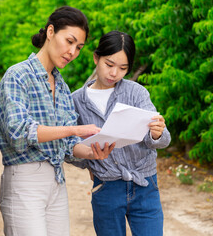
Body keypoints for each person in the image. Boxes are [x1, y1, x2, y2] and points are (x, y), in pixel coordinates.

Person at [0, 6, 115, 236]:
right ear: (50, 32)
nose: (72, 52)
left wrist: (92, 152)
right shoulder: (18, 76)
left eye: (78, 47)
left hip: (57, 182)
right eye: (69, 41)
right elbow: (19, 133)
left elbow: (69, 147)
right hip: (24, 181)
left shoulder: (62, 86)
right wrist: (73, 129)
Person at [71, 30, 171, 236]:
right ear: (96, 58)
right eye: (109, 64)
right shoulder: (75, 101)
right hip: (106, 188)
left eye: (123, 68)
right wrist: (89, 159)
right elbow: (68, 148)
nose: (114, 73)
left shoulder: (136, 92)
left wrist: (156, 134)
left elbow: (163, 140)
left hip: (145, 186)